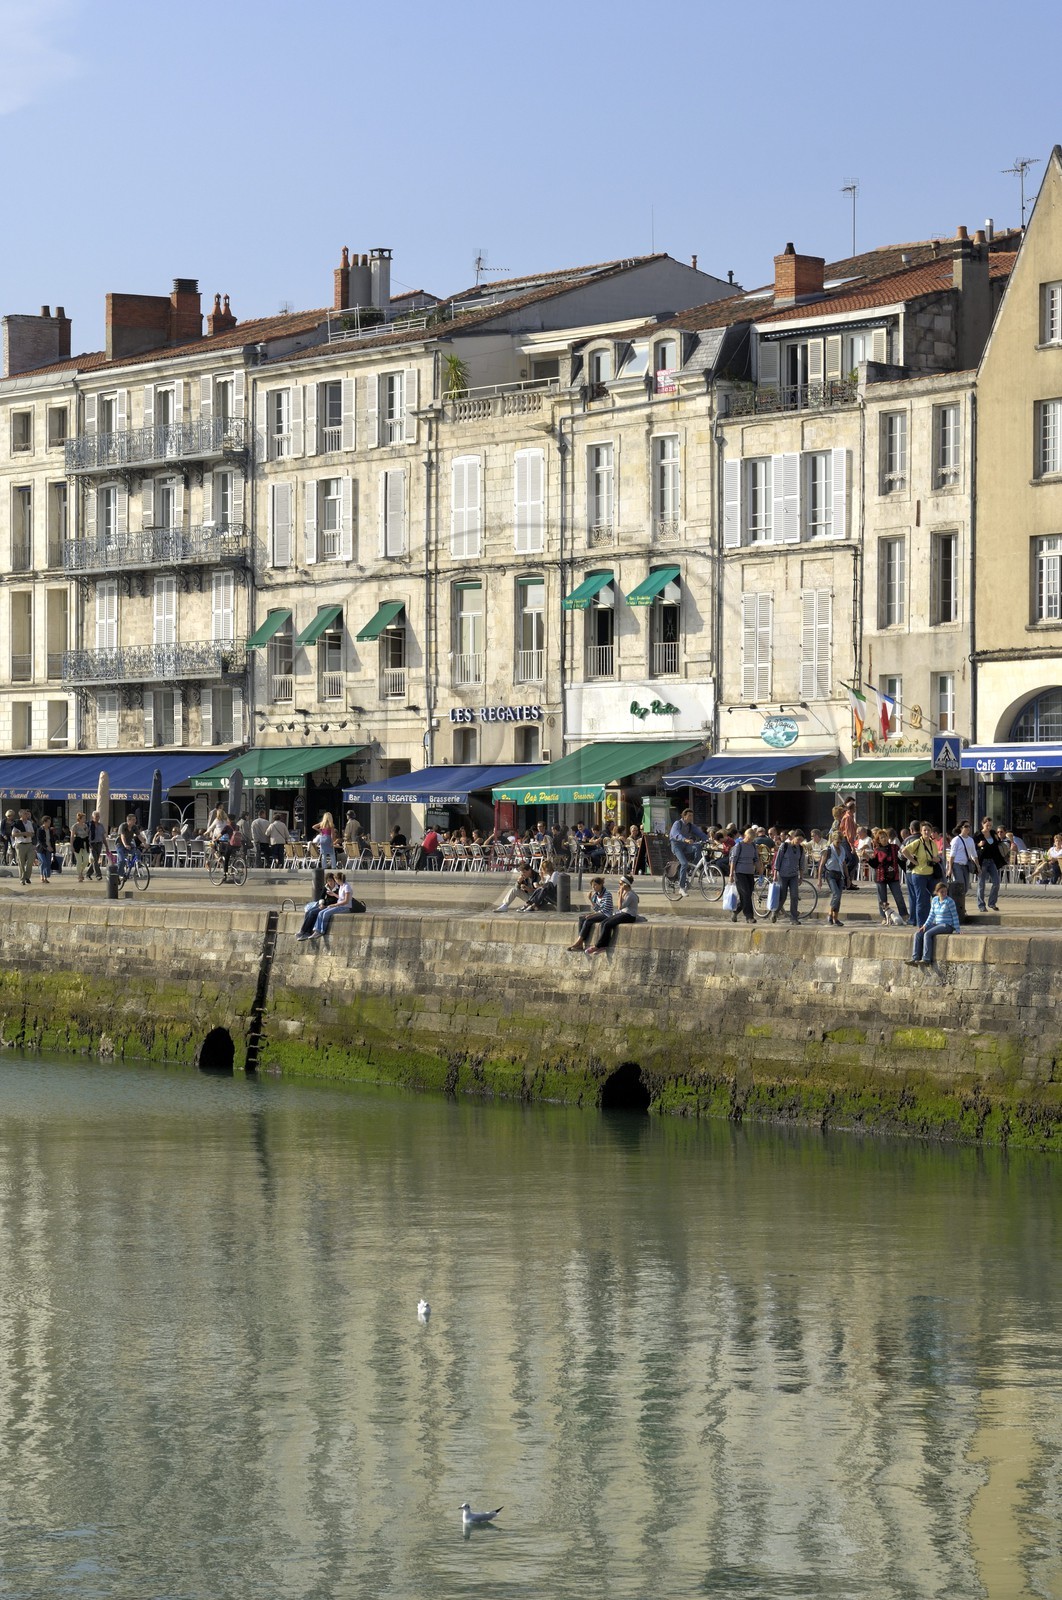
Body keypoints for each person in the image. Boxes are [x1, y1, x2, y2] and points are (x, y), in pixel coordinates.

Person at [905, 880, 961, 965]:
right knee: (918, 933)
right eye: (942, 892)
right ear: (937, 892)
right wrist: (925, 925)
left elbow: (955, 916)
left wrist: (957, 930)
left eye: (945, 891)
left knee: (928, 934)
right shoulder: (935, 900)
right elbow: (931, 915)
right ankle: (915, 958)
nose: (944, 893)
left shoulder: (950, 901)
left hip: (947, 925)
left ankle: (926, 958)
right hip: (937, 924)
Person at [586, 876, 641, 954]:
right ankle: (603, 946)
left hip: (630, 916)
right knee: (604, 922)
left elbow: (619, 907)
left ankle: (598, 946)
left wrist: (620, 893)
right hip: (623, 913)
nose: (619, 885)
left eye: (620, 884)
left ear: (625, 884)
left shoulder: (630, 894)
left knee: (608, 924)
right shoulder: (626, 892)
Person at [902, 821, 941, 930]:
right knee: (921, 899)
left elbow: (936, 857)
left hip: (930, 874)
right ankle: (921, 924)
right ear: (921, 831)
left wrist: (936, 859)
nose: (927, 832)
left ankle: (930, 921)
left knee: (935, 897)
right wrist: (914, 861)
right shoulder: (918, 842)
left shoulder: (933, 843)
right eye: (924, 830)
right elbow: (904, 850)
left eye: (929, 830)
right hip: (919, 874)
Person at [872, 827, 909, 925]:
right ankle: (884, 917)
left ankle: (904, 915)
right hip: (880, 876)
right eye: (881, 838)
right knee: (882, 899)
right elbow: (874, 864)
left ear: (888, 837)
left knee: (899, 896)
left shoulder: (894, 847)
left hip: (894, 876)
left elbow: (901, 860)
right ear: (878, 840)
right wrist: (868, 858)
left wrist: (906, 871)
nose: (884, 839)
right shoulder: (877, 850)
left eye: (885, 836)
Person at [669, 808, 709, 896]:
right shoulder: (677, 823)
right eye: (689, 816)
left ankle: (694, 869)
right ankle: (681, 888)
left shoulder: (690, 825)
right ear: (684, 816)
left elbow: (700, 833)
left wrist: (708, 840)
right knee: (684, 863)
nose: (691, 817)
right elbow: (675, 834)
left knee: (698, 847)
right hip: (677, 846)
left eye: (692, 816)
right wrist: (685, 839)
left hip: (686, 846)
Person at [568, 878, 614, 951]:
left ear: (601, 885)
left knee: (588, 920)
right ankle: (580, 943)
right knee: (582, 918)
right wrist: (590, 899)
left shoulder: (607, 894)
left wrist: (593, 915)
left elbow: (605, 910)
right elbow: (596, 909)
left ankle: (578, 942)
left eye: (595, 885)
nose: (593, 887)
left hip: (606, 914)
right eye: (592, 886)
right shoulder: (596, 895)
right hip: (599, 913)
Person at [770, 830, 806, 925]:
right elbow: (778, 861)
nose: (799, 842)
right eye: (798, 839)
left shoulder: (801, 849)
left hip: (794, 875)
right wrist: (775, 875)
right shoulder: (784, 846)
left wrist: (801, 877)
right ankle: (775, 911)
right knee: (783, 896)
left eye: (801, 841)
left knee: (794, 896)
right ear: (794, 837)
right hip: (783, 875)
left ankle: (794, 918)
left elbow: (801, 864)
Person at [308, 871, 357, 938]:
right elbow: (341, 897)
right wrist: (333, 894)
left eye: (335, 880)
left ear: (338, 879)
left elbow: (346, 901)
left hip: (345, 907)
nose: (335, 881)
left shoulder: (347, 887)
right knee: (321, 913)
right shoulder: (342, 886)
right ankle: (316, 930)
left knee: (326, 914)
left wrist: (334, 905)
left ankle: (322, 931)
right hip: (339, 905)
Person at [728, 827, 760, 924]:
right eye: (749, 839)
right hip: (740, 873)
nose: (750, 841)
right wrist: (731, 874)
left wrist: (760, 870)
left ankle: (736, 911)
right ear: (745, 836)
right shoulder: (739, 845)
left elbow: (756, 859)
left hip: (750, 873)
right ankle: (749, 916)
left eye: (752, 839)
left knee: (746, 895)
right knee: (746, 893)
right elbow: (733, 861)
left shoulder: (753, 846)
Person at [974, 817, 1006, 911]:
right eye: (987, 825)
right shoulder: (978, 834)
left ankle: (992, 903)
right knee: (981, 884)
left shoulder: (993, 833)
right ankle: (981, 905)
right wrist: (979, 845)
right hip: (982, 861)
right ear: (982, 824)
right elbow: (972, 846)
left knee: (996, 882)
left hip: (992, 861)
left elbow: (998, 844)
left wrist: (998, 839)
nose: (988, 827)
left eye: (990, 825)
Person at [817, 829, 847, 926]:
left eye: (840, 842)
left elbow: (844, 864)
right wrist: (819, 879)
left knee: (838, 898)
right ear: (833, 840)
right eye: (837, 842)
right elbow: (821, 865)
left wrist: (848, 877)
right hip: (830, 874)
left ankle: (835, 918)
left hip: (840, 875)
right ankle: (830, 914)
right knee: (836, 894)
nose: (839, 844)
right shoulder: (828, 850)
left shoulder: (842, 850)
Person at [294, 874, 338, 940]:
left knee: (313, 913)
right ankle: (305, 932)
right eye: (328, 881)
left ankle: (305, 932)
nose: (330, 883)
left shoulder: (338, 888)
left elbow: (338, 899)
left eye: (331, 881)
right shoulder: (326, 887)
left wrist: (327, 905)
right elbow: (321, 897)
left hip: (330, 906)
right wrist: (321, 904)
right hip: (323, 905)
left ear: (334, 881)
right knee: (309, 912)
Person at [35, 814, 58, 883]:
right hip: (41, 849)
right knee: (43, 862)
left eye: (50, 822)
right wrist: (47, 847)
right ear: (44, 822)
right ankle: (42, 875)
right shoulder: (40, 830)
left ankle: (46, 877)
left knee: (48, 863)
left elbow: (52, 840)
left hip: (49, 848)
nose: (49, 823)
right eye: (48, 822)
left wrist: (53, 850)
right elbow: (40, 841)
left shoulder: (50, 830)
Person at [70, 811, 91, 882]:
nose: (85, 819)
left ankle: (81, 871)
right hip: (77, 843)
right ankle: (79, 875)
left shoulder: (85, 826)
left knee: (86, 860)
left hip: (85, 843)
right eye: (83, 818)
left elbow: (88, 835)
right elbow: (72, 836)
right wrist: (71, 845)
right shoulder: (75, 826)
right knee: (79, 861)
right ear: (80, 819)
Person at [88, 810, 108, 879]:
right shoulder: (89, 825)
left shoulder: (101, 825)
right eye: (96, 816)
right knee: (95, 860)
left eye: (98, 816)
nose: (97, 818)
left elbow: (103, 836)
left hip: (99, 844)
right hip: (92, 844)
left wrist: (106, 846)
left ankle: (88, 874)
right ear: (92, 817)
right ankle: (98, 874)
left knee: (95, 860)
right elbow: (86, 835)